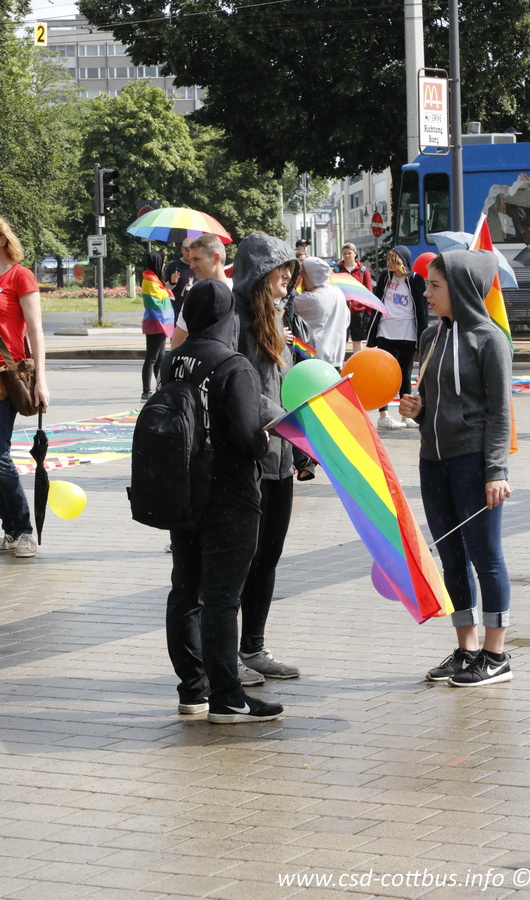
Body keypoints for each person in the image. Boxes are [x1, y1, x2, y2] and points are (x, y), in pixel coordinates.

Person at [162, 279, 284, 723]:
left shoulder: (171, 360)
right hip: (230, 496)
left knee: (185, 592)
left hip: (183, 491)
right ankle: (228, 698)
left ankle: (192, 689)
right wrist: (268, 438)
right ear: (226, 318)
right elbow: (248, 436)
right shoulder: (234, 366)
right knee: (220, 599)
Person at [399, 249, 513, 687]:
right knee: (451, 557)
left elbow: (499, 413)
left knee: (486, 556)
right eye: (427, 285)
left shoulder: (489, 339)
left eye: (434, 285)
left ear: (461, 288)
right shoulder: (431, 337)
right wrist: (418, 413)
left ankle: (496, 655)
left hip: (473, 463)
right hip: (433, 461)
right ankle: (467, 649)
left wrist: (496, 471)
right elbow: (434, 406)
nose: (426, 294)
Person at [233, 233, 301, 684]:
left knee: (269, 555)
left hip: (281, 459)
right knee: (241, 559)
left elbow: (287, 385)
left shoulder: (277, 317)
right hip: (248, 459)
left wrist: (302, 446)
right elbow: (239, 387)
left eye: (290, 269)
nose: (287, 276)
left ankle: (253, 648)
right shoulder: (235, 320)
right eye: (280, 268)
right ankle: (227, 655)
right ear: (259, 272)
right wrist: (284, 421)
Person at [0, 216, 50, 559]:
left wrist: (41, 381)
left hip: (6, 379)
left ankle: (22, 530)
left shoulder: (20, 276)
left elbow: (35, 331)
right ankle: (11, 529)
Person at [367, 245, 428, 431]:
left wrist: (422, 336)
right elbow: (377, 301)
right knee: (384, 375)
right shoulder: (385, 277)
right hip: (386, 332)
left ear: (403, 261)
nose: (389, 264)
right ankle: (383, 416)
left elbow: (422, 310)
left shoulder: (415, 279)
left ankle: (406, 415)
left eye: (393, 260)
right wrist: (372, 332)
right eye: (388, 260)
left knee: (405, 374)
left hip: (407, 333)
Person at [171, 234, 230, 350]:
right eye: (191, 260)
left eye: (196, 259)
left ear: (216, 258)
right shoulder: (195, 295)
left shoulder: (238, 292)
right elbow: (176, 345)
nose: (192, 266)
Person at [294, 256, 350, 368]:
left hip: (315, 357)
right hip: (336, 357)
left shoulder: (312, 298)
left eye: (302, 273)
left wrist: (293, 282)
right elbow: (347, 320)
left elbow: (287, 304)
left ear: (310, 275)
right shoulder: (337, 292)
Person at [141, 251, 175, 401]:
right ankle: (146, 391)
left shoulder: (154, 280)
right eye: (163, 262)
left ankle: (160, 388)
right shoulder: (149, 280)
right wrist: (166, 293)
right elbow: (155, 302)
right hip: (156, 323)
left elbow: (162, 294)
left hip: (160, 324)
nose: (164, 264)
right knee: (151, 359)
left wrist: (167, 289)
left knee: (160, 359)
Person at [333, 242, 373, 352]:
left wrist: (368, 312)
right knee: (341, 340)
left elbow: (368, 291)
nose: (347, 256)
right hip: (342, 311)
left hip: (358, 312)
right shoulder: (337, 270)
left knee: (357, 341)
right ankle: (340, 362)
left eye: (349, 253)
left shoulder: (363, 270)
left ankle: (358, 361)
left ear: (355, 254)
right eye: (344, 253)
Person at [164, 239, 196, 321]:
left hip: (195, 309)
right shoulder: (173, 266)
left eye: (193, 250)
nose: (190, 253)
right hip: (177, 310)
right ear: (182, 249)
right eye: (187, 250)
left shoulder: (199, 265)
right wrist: (171, 282)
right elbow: (164, 289)